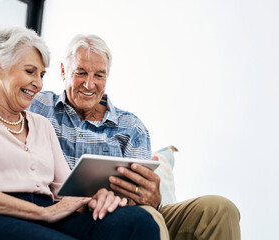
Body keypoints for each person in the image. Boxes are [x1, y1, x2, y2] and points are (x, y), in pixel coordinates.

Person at [0, 27, 160, 240]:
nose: (38, 83)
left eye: (42, 74)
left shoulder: (42, 124)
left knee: (139, 221)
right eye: (30, 71)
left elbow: (68, 192)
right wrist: (40, 213)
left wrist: (95, 198)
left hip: (47, 216)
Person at [28, 34, 241, 240]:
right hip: (70, 215)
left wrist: (152, 199)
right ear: (63, 71)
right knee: (146, 218)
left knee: (218, 208)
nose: (89, 84)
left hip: (123, 212)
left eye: (99, 75)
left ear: (107, 77)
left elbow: (144, 199)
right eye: (81, 72)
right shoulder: (37, 104)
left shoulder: (132, 127)